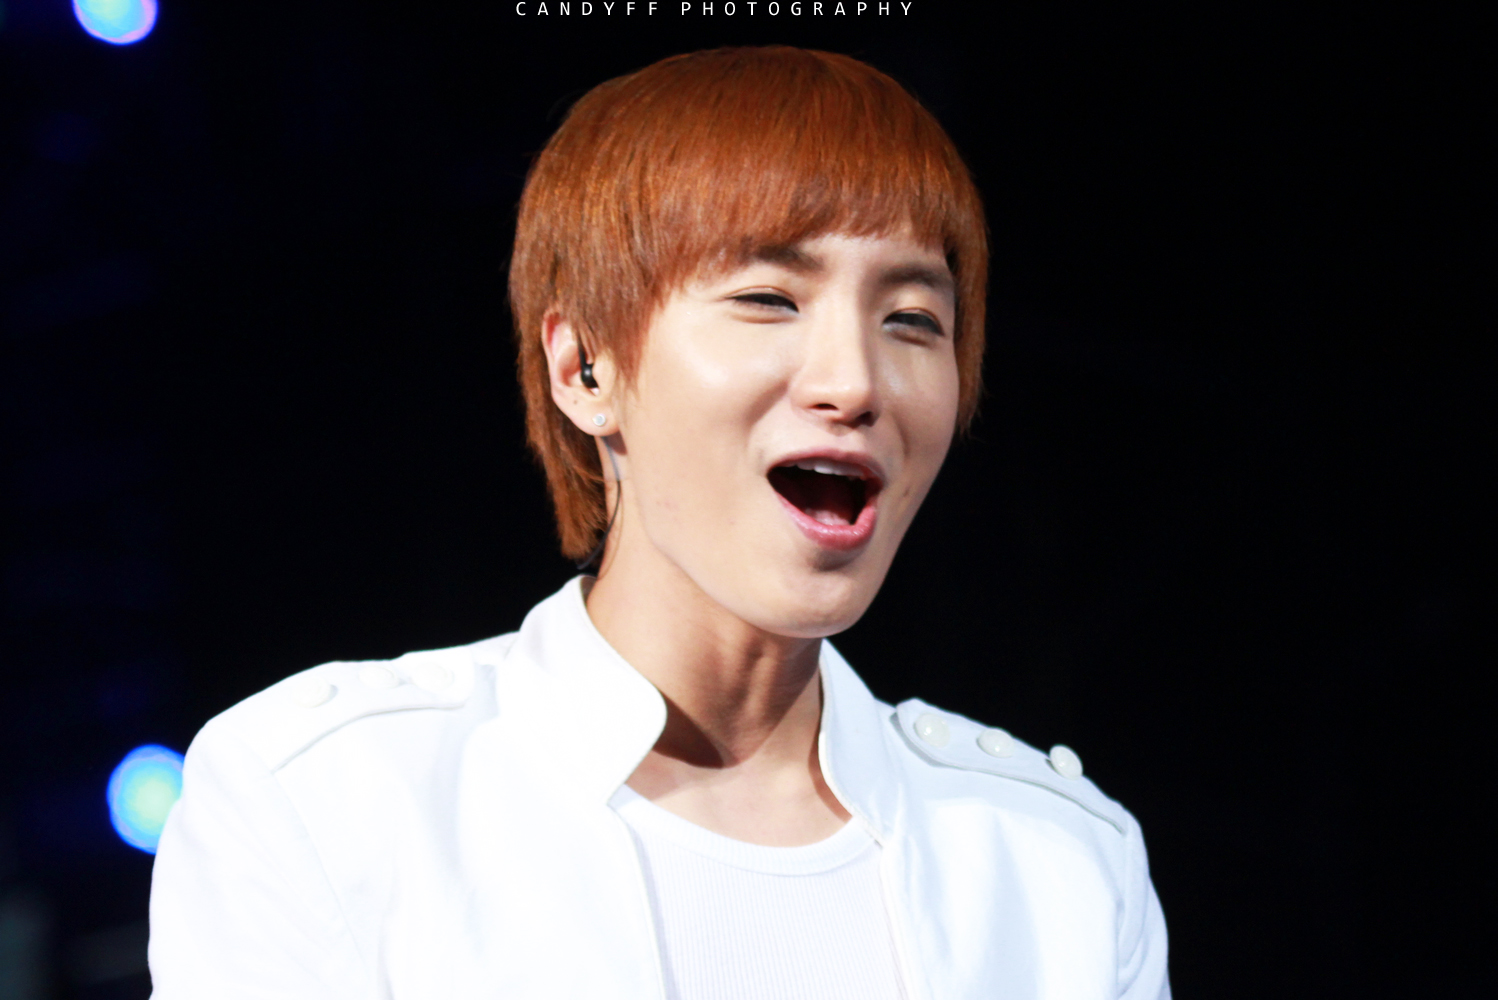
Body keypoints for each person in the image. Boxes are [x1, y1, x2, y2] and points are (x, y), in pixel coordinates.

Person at [147, 46, 1170, 999]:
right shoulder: (329, 802)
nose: (856, 383)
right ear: (584, 369)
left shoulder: (1059, 864)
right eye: (769, 299)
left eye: (912, 319)